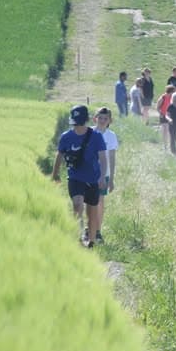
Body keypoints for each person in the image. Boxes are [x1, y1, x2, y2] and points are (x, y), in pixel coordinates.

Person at [51, 105, 107, 248]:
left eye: (79, 121)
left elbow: (102, 158)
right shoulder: (66, 137)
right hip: (75, 178)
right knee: (77, 205)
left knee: (91, 213)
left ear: (86, 120)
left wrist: (101, 177)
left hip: (92, 178)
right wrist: (55, 174)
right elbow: (59, 155)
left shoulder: (96, 137)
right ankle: (78, 238)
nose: (77, 125)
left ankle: (92, 242)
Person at [92, 107, 118, 244]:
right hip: (89, 173)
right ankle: (88, 228)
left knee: (100, 202)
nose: (102, 121)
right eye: (100, 118)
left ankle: (97, 231)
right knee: (90, 201)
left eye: (105, 119)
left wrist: (111, 178)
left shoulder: (111, 136)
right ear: (95, 118)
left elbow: (112, 157)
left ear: (109, 121)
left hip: (104, 173)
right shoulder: (89, 133)